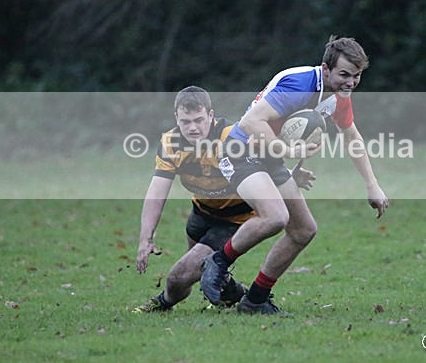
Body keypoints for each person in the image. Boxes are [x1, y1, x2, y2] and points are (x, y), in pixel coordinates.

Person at [200, 35, 390, 315]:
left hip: (269, 158)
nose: (351, 82)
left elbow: (352, 137)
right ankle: (217, 261)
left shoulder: (338, 95)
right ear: (326, 69)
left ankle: (255, 300)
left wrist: (372, 185)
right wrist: (287, 149)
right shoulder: (299, 84)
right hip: (239, 151)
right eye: (344, 74)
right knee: (275, 217)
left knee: (303, 230)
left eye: (357, 75)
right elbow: (251, 122)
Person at [134, 86, 314, 312]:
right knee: (197, 275)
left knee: (179, 277)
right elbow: (157, 192)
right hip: (200, 214)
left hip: (233, 220)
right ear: (176, 118)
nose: (193, 128)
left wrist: (289, 177)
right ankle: (233, 296)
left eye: (199, 120)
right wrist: (146, 238)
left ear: (211, 115)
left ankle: (162, 303)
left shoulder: (234, 136)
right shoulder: (171, 143)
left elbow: (267, 163)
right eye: (185, 122)